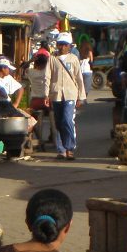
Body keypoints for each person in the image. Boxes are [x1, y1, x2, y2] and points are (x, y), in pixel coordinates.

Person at [44, 32, 85, 161]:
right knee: (58, 122)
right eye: (60, 44)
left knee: (67, 120)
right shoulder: (52, 58)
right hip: (56, 94)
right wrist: (46, 94)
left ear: (69, 46)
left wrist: (81, 96)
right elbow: (47, 77)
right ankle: (61, 149)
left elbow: (79, 78)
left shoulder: (73, 59)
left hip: (70, 94)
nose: (62, 47)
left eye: (64, 45)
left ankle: (69, 147)